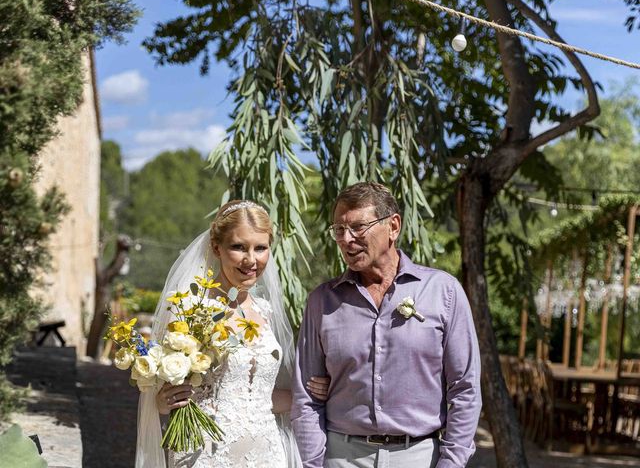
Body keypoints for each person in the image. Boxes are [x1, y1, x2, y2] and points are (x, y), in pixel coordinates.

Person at [292, 182, 482, 468]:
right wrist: (311, 464)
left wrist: (451, 462)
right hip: (342, 457)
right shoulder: (322, 301)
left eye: (358, 227)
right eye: (339, 230)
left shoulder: (443, 292)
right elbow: (306, 396)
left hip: (420, 457)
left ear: (393, 226)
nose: (346, 239)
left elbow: (465, 388)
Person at [135, 200, 329, 468]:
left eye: (260, 248)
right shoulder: (190, 308)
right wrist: (163, 400)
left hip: (267, 453)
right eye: (239, 247)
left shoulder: (266, 312)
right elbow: (161, 398)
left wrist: (327, 389)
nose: (251, 260)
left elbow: (260, 397)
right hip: (204, 452)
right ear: (217, 247)